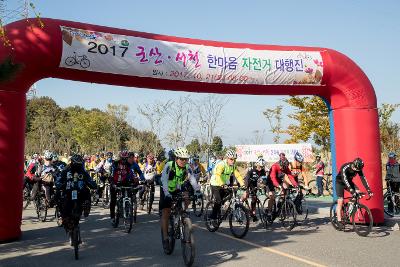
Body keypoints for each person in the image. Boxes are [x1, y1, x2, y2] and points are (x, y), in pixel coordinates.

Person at [160, 147, 200, 250]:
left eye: (186, 159)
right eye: (181, 159)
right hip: (166, 189)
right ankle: (165, 238)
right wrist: (167, 194)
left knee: (187, 197)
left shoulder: (187, 167)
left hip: (178, 188)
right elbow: (164, 180)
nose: (184, 161)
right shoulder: (169, 165)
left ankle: (183, 217)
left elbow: (192, 180)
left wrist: (197, 191)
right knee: (166, 211)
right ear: (176, 158)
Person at [55, 154, 96, 228]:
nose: (77, 166)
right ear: (72, 162)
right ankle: (60, 215)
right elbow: (59, 179)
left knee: (87, 190)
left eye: (79, 164)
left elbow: (89, 179)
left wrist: (93, 184)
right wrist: (59, 184)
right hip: (68, 191)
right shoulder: (66, 170)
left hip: (80, 192)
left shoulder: (83, 171)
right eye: (76, 163)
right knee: (59, 194)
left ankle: (87, 207)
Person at [335, 158, 373, 229]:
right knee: (340, 201)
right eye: (357, 169)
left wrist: (369, 190)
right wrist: (352, 191)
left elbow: (363, 179)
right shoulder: (345, 167)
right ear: (353, 165)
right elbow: (345, 180)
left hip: (349, 182)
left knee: (358, 193)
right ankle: (339, 221)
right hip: (340, 183)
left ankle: (349, 206)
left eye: (359, 170)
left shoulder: (358, 168)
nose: (358, 171)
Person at [209, 149, 245, 220]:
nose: (233, 161)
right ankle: (213, 216)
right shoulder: (221, 165)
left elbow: (238, 176)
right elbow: (217, 175)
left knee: (231, 193)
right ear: (227, 158)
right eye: (231, 159)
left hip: (224, 184)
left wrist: (242, 184)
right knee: (218, 201)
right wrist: (222, 184)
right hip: (215, 183)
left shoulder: (233, 166)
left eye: (234, 159)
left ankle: (224, 207)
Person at [110, 150, 137, 226]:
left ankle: (128, 210)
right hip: (115, 183)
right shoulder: (115, 163)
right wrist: (112, 183)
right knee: (113, 200)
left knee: (130, 194)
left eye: (126, 158)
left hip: (124, 183)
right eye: (123, 158)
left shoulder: (129, 165)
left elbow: (131, 174)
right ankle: (112, 217)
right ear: (120, 157)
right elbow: (111, 174)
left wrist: (135, 182)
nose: (124, 160)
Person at [242, 157, 267, 222]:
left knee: (254, 198)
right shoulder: (251, 170)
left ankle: (252, 213)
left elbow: (264, 180)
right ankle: (240, 204)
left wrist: (264, 186)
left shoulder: (263, 171)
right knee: (246, 195)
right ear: (257, 165)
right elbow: (247, 179)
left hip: (254, 184)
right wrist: (246, 188)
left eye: (262, 167)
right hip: (248, 182)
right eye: (260, 166)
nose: (260, 168)